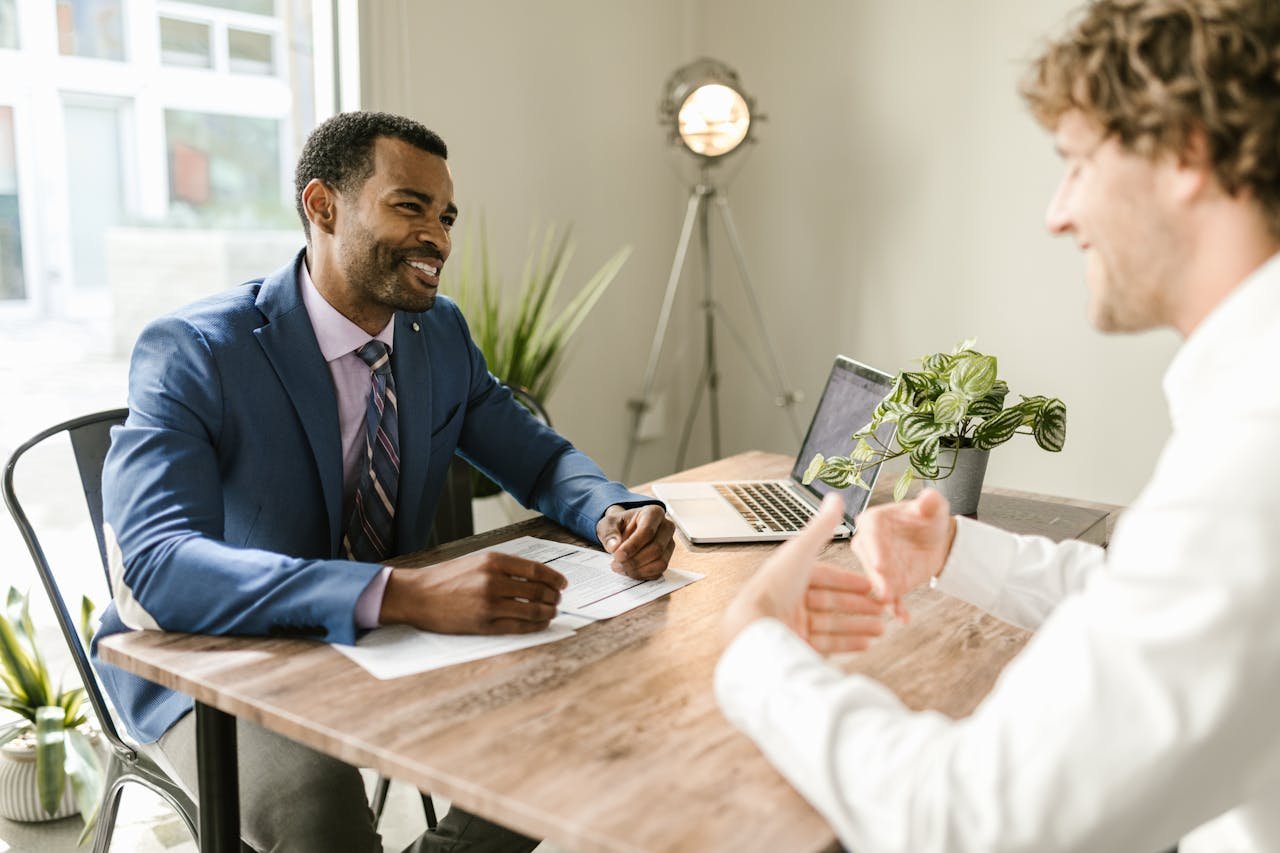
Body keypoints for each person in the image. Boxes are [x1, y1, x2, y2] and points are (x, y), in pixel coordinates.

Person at [716, 1, 1280, 851]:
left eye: (1078, 163)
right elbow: (1164, 611)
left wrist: (753, 648)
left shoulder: (1255, 451)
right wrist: (957, 554)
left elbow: (968, 821)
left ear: (1185, 154)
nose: (1058, 212)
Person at [92, 111, 676, 853]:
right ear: (322, 205)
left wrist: (613, 510)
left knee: (576, 732)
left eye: (446, 216)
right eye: (410, 206)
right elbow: (157, 565)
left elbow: (540, 460)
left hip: (392, 640)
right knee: (321, 821)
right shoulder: (197, 350)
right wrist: (402, 593)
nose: (438, 236)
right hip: (221, 659)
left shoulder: (440, 336)